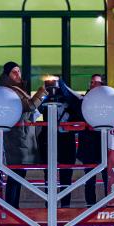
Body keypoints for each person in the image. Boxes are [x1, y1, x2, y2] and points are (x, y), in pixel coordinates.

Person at [0, 62, 47, 208]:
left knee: (19, 173)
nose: (18, 75)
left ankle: (13, 206)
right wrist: (42, 92)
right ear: (7, 75)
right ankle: (12, 207)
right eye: (14, 72)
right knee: (16, 173)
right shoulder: (8, 91)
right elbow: (28, 106)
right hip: (17, 137)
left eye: (19, 71)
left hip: (22, 136)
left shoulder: (16, 89)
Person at [37, 78, 82, 208]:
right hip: (48, 140)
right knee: (49, 176)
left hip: (66, 142)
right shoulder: (45, 100)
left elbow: (78, 103)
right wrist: (43, 93)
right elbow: (36, 109)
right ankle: (49, 205)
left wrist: (62, 84)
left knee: (66, 175)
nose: (53, 89)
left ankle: (65, 206)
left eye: (54, 86)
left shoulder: (71, 102)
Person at [77, 74, 109, 206]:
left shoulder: (108, 101)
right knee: (89, 179)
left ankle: (109, 204)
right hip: (88, 146)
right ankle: (90, 205)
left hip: (104, 145)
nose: (92, 85)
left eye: (95, 83)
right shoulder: (84, 100)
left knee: (107, 178)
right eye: (91, 82)